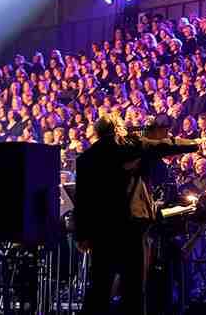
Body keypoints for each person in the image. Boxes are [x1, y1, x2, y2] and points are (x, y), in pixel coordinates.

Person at [75, 114, 198, 315]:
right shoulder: (130, 145)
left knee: (100, 286)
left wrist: (82, 235)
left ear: (98, 132)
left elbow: (82, 200)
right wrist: (193, 144)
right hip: (131, 226)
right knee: (133, 287)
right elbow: (163, 145)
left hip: (100, 229)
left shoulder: (86, 158)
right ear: (118, 128)